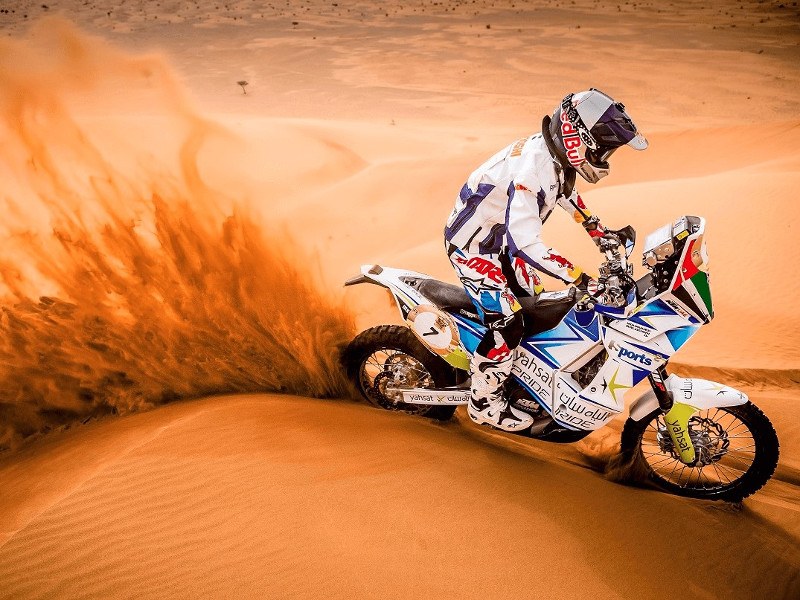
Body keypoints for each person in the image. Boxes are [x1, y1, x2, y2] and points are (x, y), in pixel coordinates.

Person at [444, 89, 648, 432]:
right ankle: (484, 402)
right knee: (509, 322)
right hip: (475, 249)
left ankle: (520, 381)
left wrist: (600, 233)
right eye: (602, 147)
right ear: (578, 138)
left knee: (540, 309)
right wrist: (581, 277)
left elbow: (564, 193)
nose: (604, 156)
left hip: (500, 245)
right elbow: (527, 244)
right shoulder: (531, 173)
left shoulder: (553, 160)